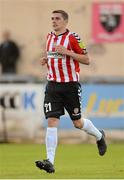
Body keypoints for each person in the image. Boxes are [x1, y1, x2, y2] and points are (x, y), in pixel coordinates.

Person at [35, 10, 107, 173]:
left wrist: (67, 52)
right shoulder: (49, 37)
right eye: (52, 18)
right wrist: (45, 60)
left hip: (70, 87)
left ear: (65, 22)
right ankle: (50, 161)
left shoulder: (74, 38)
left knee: (78, 123)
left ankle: (99, 136)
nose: (54, 21)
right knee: (52, 121)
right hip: (52, 85)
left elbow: (87, 60)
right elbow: (52, 56)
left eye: (57, 19)